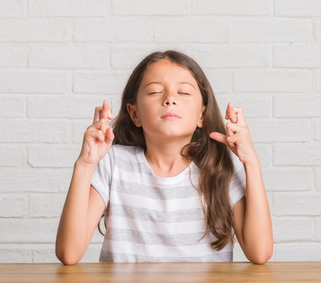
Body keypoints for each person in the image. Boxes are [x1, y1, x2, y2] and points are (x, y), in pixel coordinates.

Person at [55, 50, 273, 265]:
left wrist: (251, 163)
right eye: (155, 92)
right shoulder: (114, 163)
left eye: (184, 93)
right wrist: (84, 164)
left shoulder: (222, 165)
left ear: (202, 115)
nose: (170, 99)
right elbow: (69, 253)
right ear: (134, 114)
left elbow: (260, 252)